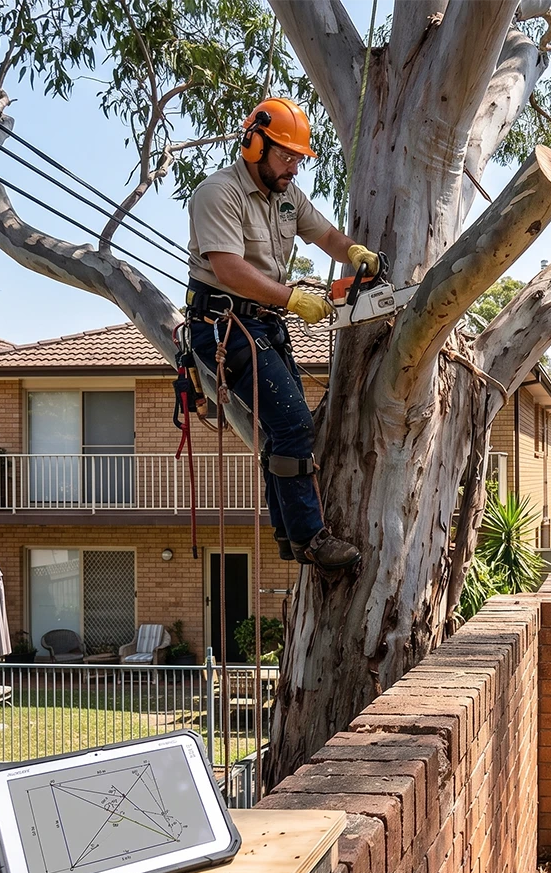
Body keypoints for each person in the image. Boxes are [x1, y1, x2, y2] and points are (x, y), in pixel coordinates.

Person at [185, 97, 382, 572]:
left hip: (263, 321)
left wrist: (353, 251)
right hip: (222, 325)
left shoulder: (287, 195)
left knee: (287, 429)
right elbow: (229, 270)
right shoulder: (219, 193)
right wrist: (291, 298)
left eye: (298, 158)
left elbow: (324, 234)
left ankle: (287, 534)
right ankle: (311, 540)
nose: (293, 166)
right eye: (285, 156)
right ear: (254, 145)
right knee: (294, 426)